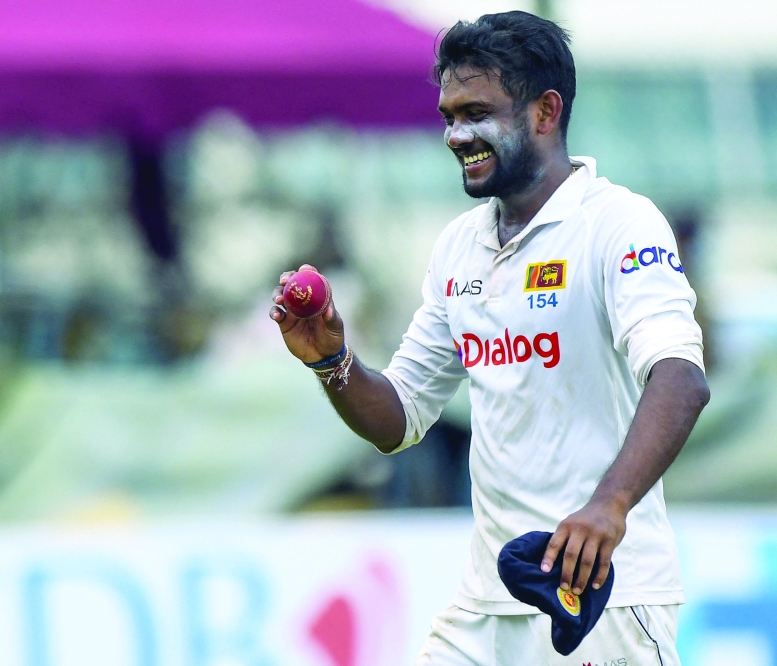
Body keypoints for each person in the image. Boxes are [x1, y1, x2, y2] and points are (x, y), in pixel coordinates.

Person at [270, 11, 709, 665]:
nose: (456, 134)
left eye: (477, 112)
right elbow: (399, 418)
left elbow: (681, 377)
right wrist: (332, 360)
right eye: (449, 115)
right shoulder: (459, 247)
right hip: (490, 602)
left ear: (544, 111)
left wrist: (608, 507)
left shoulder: (618, 225)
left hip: (603, 597)